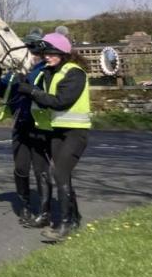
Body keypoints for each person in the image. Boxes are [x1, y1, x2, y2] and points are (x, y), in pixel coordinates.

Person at [9, 31, 91, 242]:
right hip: (56, 131)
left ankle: (64, 226)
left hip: (75, 132)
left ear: (64, 52)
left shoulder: (75, 73)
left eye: (52, 53)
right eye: (46, 53)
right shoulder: (50, 71)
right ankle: (72, 218)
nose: (47, 56)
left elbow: (61, 101)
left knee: (60, 173)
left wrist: (32, 92)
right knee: (63, 175)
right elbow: (36, 88)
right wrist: (22, 81)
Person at [0, 28, 52, 228]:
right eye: (28, 51)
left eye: (33, 52)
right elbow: (2, 89)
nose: (30, 55)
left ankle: (44, 210)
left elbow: (48, 94)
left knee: (41, 169)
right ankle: (24, 206)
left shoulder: (45, 71)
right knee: (21, 168)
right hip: (20, 125)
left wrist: (29, 83)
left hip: (39, 126)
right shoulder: (15, 74)